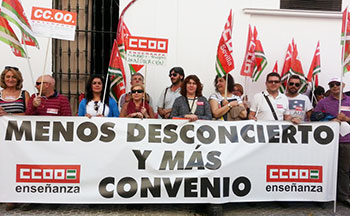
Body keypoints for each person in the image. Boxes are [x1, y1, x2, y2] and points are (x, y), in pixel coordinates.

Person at [314, 77, 350, 207]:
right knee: (326, 168)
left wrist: (346, 118)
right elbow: (314, 118)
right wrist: (330, 120)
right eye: (331, 85)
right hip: (328, 142)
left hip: (346, 140)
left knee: (344, 170)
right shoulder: (323, 102)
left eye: (337, 84)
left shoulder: (349, 100)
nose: (335, 86)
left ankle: (343, 196)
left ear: (343, 85)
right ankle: (324, 195)